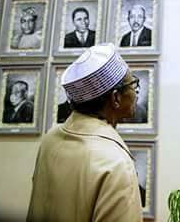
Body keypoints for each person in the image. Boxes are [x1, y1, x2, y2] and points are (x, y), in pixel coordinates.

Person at [27, 43, 143, 221]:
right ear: (116, 98)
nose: (135, 92)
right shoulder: (116, 163)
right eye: (132, 84)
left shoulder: (50, 139)